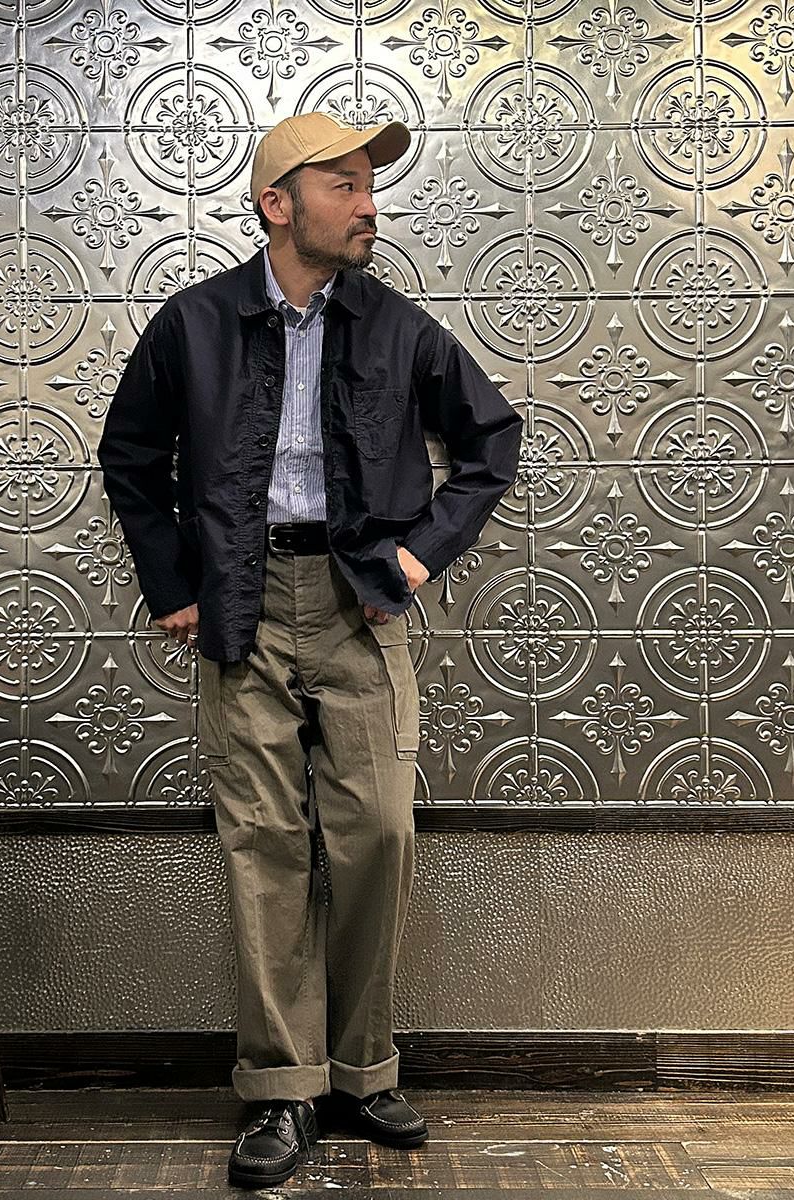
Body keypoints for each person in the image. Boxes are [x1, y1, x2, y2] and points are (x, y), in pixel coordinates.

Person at [97, 111, 523, 1189]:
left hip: (358, 603)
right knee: (265, 845)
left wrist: (418, 559)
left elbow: (491, 440)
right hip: (240, 603)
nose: (369, 205)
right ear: (277, 205)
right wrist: (172, 585)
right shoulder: (194, 323)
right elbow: (131, 457)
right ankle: (282, 1089)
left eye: (369, 186)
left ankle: (363, 1071)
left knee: (378, 831)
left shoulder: (398, 326)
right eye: (345, 185)